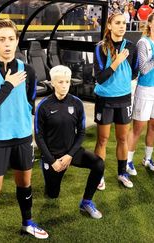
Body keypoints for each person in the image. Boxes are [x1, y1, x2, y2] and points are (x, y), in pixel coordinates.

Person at [0, 19, 48, 242]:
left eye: (11, 39)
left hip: (22, 138)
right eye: (2, 39)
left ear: (17, 42)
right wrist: (8, 86)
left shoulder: (29, 70)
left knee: (25, 184)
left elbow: (29, 104)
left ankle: (27, 223)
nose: (7, 44)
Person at [35, 65, 105, 219]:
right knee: (53, 194)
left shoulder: (77, 103)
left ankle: (86, 202)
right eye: (60, 82)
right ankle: (48, 173)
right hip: (53, 157)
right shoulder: (43, 106)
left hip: (72, 152)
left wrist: (70, 155)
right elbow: (38, 137)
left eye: (67, 82)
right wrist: (52, 161)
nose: (65, 85)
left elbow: (81, 133)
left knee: (98, 164)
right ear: (52, 83)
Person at [93, 12, 138, 189]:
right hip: (104, 99)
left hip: (124, 98)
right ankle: (99, 175)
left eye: (124, 23)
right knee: (102, 140)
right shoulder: (100, 47)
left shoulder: (131, 47)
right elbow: (100, 78)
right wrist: (116, 62)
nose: (121, 26)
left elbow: (134, 72)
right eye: (117, 23)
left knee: (122, 139)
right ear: (109, 26)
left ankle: (122, 173)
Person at [127, 11, 154, 174]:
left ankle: (148, 158)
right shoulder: (143, 43)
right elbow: (144, 69)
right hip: (145, 89)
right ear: (150, 24)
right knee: (138, 128)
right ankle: (128, 161)